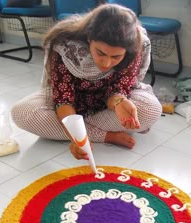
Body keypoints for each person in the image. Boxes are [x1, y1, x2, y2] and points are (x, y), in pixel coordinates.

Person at [11, 3, 162, 161]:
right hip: (71, 103)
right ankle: (104, 135)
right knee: (22, 113)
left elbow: (119, 89)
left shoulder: (135, 46)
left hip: (106, 103)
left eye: (116, 57)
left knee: (152, 110)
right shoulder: (65, 44)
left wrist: (119, 102)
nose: (106, 63)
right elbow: (63, 100)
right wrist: (77, 137)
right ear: (90, 38)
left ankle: (76, 127)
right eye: (100, 53)